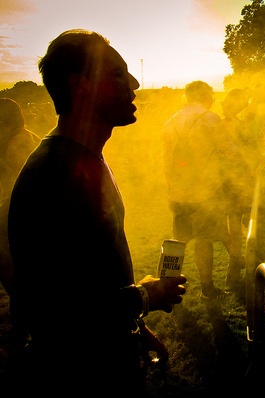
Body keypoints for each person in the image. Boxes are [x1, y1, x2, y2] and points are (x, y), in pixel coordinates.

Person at [7, 29, 187, 395]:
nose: (134, 83)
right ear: (82, 86)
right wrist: (145, 297)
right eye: (118, 73)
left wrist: (136, 328)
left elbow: (86, 277)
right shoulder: (52, 176)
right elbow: (52, 312)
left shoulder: (83, 158)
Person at [162, 80, 235, 299]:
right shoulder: (210, 119)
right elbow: (230, 151)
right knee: (204, 241)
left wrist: (170, 189)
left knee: (178, 242)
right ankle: (207, 287)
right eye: (211, 94)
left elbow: (166, 161)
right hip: (206, 192)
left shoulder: (170, 123)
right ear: (205, 95)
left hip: (178, 192)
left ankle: (166, 286)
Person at [0, 98, 41, 348]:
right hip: (11, 211)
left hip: (17, 213)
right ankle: (25, 320)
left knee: (15, 269)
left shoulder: (20, 142)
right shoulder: (16, 139)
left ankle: (29, 324)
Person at [219, 88, 253, 291]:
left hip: (237, 179)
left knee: (236, 222)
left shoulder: (240, 125)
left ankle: (235, 264)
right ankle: (236, 260)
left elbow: (247, 152)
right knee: (229, 223)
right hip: (225, 179)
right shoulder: (221, 125)